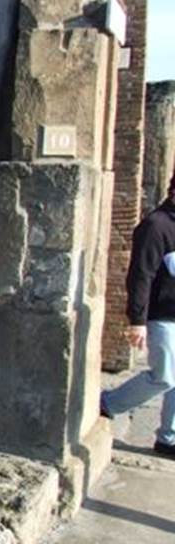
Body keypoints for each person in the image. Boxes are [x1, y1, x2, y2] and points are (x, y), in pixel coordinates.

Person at [101, 175, 175, 459]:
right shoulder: (156, 226)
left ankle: (169, 438)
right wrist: (137, 321)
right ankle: (108, 403)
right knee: (163, 377)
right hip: (161, 315)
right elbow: (140, 275)